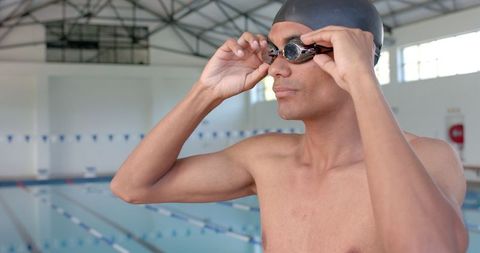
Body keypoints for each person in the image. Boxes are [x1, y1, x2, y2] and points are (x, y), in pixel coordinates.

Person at [110, 0, 468, 252]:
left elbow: (427, 246)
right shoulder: (265, 158)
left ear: (354, 55)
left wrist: (363, 81)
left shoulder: (429, 158)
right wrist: (206, 92)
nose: (277, 69)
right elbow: (132, 186)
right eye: (274, 51)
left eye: (296, 50)